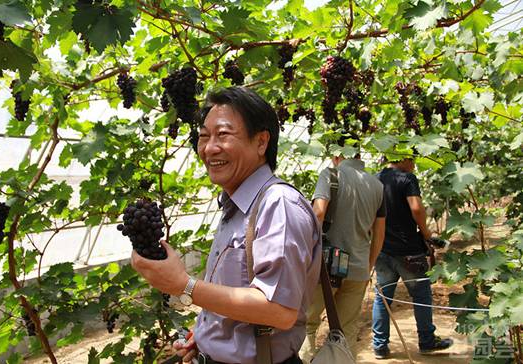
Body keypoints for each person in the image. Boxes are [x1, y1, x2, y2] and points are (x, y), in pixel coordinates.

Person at [131, 86, 322, 364]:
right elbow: (239, 294)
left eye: (223, 135)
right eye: (204, 136)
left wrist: (184, 285)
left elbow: (279, 310)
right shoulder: (236, 205)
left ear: (261, 142)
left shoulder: (277, 204)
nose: (209, 148)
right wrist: (210, 333)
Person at [299, 149, 386, 362]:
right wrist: (368, 266)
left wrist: (303, 255)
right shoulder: (377, 185)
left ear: (337, 156)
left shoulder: (330, 174)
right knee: (345, 331)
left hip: (326, 268)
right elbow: (379, 233)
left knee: (307, 325)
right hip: (358, 269)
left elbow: (318, 213)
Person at [371, 156, 453, 359]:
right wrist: (427, 234)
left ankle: (380, 346)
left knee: (383, 298)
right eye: (413, 159)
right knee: (422, 296)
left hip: (382, 249)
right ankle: (426, 341)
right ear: (403, 158)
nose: (414, 164)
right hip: (409, 251)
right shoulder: (407, 178)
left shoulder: (373, 179)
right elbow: (416, 207)